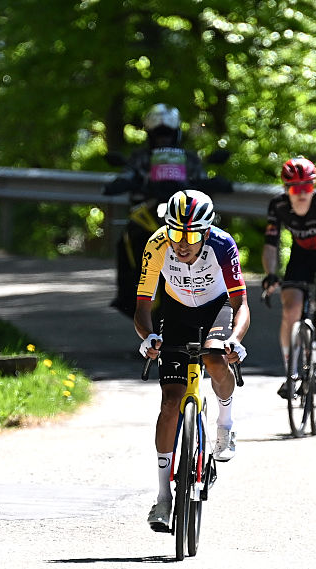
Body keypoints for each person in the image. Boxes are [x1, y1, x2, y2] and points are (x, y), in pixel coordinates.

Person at [135, 190, 250, 532]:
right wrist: (149, 338)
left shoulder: (223, 245)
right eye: (176, 233)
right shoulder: (157, 245)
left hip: (216, 307)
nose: (182, 244)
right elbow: (142, 306)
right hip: (176, 311)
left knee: (214, 357)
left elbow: (241, 303)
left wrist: (235, 340)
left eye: (192, 235)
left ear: (207, 231)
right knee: (170, 402)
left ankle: (225, 425)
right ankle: (163, 497)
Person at [103, 104, 229, 318]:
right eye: (158, 134)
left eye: (167, 134)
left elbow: (201, 177)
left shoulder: (189, 159)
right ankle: (126, 293)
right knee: (124, 240)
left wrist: (212, 182)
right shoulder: (139, 158)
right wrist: (123, 183)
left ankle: (217, 290)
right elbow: (125, 176)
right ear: (150, 135)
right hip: (147, 214)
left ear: (176, 134)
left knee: (215, 235)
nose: (163, 139)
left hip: (185, 215)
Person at [262, 158, 316, 396]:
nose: (301, 193)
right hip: (301, 257)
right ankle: (291, 372)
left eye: (306, 187)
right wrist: (271, 273)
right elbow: (271, 244)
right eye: (294, 188)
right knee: (290, 309)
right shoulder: (278, 206)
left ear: (314, 185)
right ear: (285, 188)